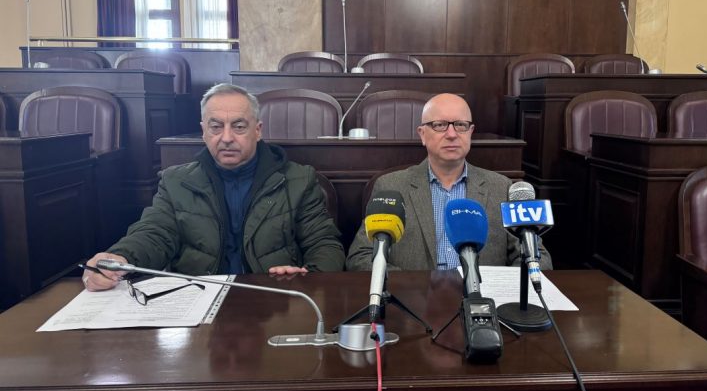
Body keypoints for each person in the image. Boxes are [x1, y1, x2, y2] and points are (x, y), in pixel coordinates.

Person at [83, 83, 344, 291]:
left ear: (258, 130)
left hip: (274, 300)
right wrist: (120, 257)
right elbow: (154, 234)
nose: (227, 138)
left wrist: (307, 278)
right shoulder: (176, 182)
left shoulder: (299, 180)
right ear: (203, 131)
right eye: (216, 127)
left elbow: (325, 245)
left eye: (239, 127)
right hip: (197, 298)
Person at [346, 93, 551, 271]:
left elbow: (538, 257)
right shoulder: (391, 187)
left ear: (470, 132)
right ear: (422, 134)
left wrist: (501, 289)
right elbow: (361, 256)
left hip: (484, 300)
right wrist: (410, 287)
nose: (452, 134)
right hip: (416, 299)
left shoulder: (502, 187)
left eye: (460, 125)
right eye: (440, 125)